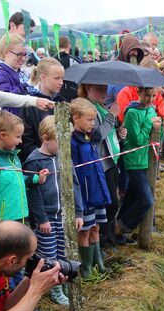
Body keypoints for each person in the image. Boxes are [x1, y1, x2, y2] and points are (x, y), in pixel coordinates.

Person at [23, 116, 83, 304]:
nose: (64, 145)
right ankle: (54, 290)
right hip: (47, 218)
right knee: (49, 255)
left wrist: (78, 213)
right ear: (45, 138)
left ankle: (63, 284)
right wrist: (41, 219)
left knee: (63, 252)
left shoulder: (64, 157)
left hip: (64, 215)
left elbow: (74, 184)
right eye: (60, 141)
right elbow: (33, 192)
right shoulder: (34, 161)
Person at [0, 110, 45, 228]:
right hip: (1, 221)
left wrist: (37, 178)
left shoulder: (14, 157)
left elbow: (15, 179)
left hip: (21, 216)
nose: (20, 141)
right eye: (18, 136)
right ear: (3, 135)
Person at [79, 83, 126, 248]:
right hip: (99, 163)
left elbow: (108, 134)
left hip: (111, 160)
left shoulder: (101, 106)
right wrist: (112, 115)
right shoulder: (86, 107)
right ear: (88, 88)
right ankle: (104, 241)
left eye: (106, 88)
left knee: (114, 202)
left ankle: (109, 240)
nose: (105, 92)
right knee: (109, 203)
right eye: (100, 88)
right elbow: (97, 134)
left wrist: (119, 135)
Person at [70, 98, 111, 277]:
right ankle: (86, 268)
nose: (93, 123)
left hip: (96, 191)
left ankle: (98, 264)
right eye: (89, 120)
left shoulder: (89, 138)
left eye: (94, 120)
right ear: (76, 118)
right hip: (84, 196)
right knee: (85, 230)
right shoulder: (72, 142)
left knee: (96, 227)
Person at [118, 87, 161, 243]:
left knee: (131, 196)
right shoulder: (132, 113)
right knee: (146, 200)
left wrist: (158, 125)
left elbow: (157, 136)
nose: (150, 99)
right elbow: (138, 140)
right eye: (147, 95)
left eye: (153, 95)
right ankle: (122, 227)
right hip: (134, 160)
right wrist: (150, 125)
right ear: (139, 94)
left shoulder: (151, 110)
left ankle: (117, 228)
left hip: (147, 160)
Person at [18, 57, 65, 162]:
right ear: (43, 77)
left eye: (62, 78)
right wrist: (43, 158)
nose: (61, 82)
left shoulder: (61, 102)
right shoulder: (30, 104)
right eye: (57, 78)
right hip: (39, 164)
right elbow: (26, 140)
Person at [0, 34, 29, 114]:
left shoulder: (20, 72)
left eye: (25, 55)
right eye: (19, 54)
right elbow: (5, 99)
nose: (23, 59)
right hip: (10, 121)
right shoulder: (0, 74)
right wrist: (25, 85)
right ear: (6, 53)